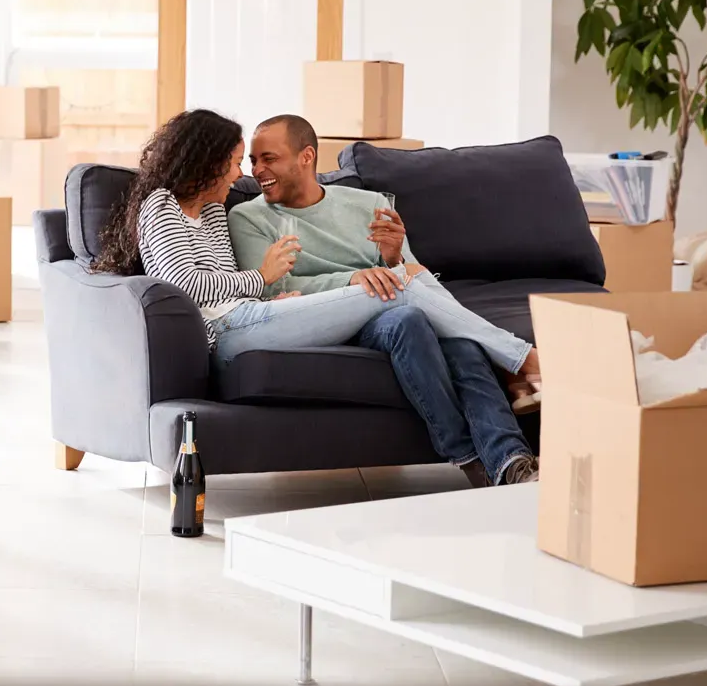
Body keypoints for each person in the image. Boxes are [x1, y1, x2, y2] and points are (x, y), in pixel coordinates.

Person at [93, 108, 539, 486]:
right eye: (235, 162)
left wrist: (386, 259)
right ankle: (522, 360)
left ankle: (497, 461)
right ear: (206, 162)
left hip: (257, 315)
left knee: (421, 303)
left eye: (250, 160)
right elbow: (189, 286)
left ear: (307, 158)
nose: (242, 173)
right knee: (401, 287)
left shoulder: (211, 210)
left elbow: (231, 282)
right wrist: (261, 279)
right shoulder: (163, 207)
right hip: (226, 335)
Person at [226, 113, 540, 486]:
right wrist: (353, 279)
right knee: (413, 318)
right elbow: (275, 292)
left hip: (390, 308)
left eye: (269, 158)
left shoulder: (370, 203)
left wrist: (393, 257)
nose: (256, 170)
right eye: (253, 161)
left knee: (455, 340)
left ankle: (511, 464)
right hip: (324, 317)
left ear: (306, 156)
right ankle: (519, 367)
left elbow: (410, 278)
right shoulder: (248, 216)